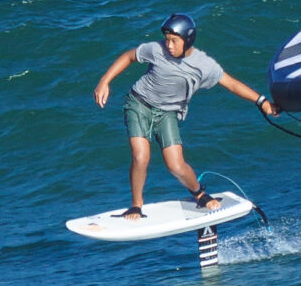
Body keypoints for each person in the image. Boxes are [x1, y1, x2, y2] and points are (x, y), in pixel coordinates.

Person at [91, 12, 278, 217]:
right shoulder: (156, 49)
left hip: (167, 113)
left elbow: (231, 83)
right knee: (140, 156)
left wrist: (261, 101)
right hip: (138, 104)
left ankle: (199, 194)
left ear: (187, 40)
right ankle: (137, 204)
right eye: (167, 40)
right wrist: (104, 81)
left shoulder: (204, 65)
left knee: (176, 165)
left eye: (174, 41)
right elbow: (129, 56)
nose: (169, 45)